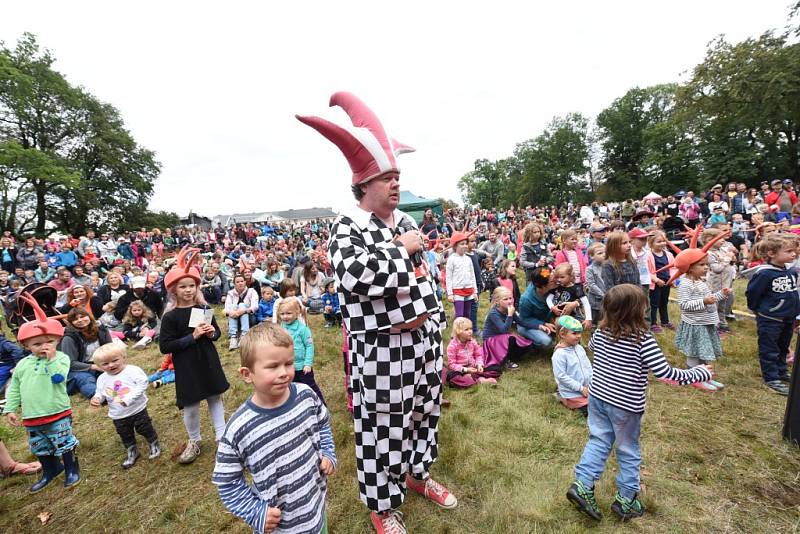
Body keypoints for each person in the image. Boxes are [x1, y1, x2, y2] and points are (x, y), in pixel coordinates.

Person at [299, 91, 455, 533]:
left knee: (425, 413)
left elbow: (425, 278)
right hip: (383, 347)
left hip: (424, 341)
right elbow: (355, 277)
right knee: (382, 427)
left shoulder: (406, 222)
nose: (395, 182)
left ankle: (418, 475)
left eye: (397, 174)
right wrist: (398, 250)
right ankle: (382, 505)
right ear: (363, 184)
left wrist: (436, 329)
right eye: (386, 176)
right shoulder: (346, 226)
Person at [566, 284, 713, 521]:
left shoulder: (599, 333)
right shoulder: (643, 339)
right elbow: (667, 374)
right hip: (625, 406)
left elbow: (593, 349)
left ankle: (582, 485)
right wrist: (700, 373)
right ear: (637, 311)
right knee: (628, 450)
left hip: (598, 397)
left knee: (598, 440)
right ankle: (626, 500)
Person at [212, 322, 336, 534]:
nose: (284, 373)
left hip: (315, 509)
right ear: (247, 374)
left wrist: (328, 453)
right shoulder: (240, 428)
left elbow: (322, 423)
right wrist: (255, 512)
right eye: (272, 366)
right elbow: (227, 481)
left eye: (288, 363)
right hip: (280, 527)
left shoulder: (306, 395)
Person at [2, 294, 81, 492]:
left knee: (64, 441)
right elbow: (15, 388)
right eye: (37, 344)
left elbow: (58, 379)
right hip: (32, 416)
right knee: (40, 446)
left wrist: (52, 360)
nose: (44, 347)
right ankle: (51, 469)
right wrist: (10, 408)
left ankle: (71, 468)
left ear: (57, 341)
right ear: (25, 345)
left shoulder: (61, 359)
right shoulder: (22, 364)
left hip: (57, 411)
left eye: (49, 342)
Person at [159, 247, 229, 464]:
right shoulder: (170, 317)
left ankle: (222, 437)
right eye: (183, 287)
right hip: (187, 365)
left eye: (191, 286)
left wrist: (210, 333)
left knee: (214, 397)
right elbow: (165, 346)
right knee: (190, 404)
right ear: (174, 290)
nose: (188, 290)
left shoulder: (203, 308)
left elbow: (216, 334)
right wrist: (193, 336)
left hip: (207, 360)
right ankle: (194, 440)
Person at [89, 344, 160, 469]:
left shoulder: (132, 371)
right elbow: (100, 392)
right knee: (124, 433)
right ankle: (132, 450)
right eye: (105, 364)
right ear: (99, 366)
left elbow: (142, 384)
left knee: (144, 427)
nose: (111, 365)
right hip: (118, 414)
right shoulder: (102, 379)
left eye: (115, 360)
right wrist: (97, 399)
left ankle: (153, 443)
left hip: (137, 409)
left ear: (123, 357)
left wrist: (129, 398)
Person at [746, 233, 799, 396]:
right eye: (789, 251)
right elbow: (753, 293)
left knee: (783, 346)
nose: (794, 254)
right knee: (769, 348)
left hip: (788, 317)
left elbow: (793, 292)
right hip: (770, 319)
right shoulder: (764, 273)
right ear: (771, 253)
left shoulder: (790, 271)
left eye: (794, 250)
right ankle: (771, 377)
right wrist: (759, 310)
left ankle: (781, 371)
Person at [674, 251, 729, 392]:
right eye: (702, 264)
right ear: (690, 267)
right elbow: (684, 304)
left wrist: (721, 294)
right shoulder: (685, 284)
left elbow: (709, 298)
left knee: (704, 351)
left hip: (705, 323)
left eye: (706, 264)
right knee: (694, 352)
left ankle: (704, 376)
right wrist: (703, 301)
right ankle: (694, 377)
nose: (706, 267)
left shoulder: (701, 282)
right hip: (695, 324)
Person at [278, 298, 325, 405]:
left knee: (311, 387)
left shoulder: (303, 329)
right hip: (288, 367)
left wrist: (307, 364)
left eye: (288, 313)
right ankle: (299, 406)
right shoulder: (281, 328)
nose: (285, 316)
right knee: (291, 389)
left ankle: (321, 405)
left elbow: (309, 346)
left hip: (303, 368)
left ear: (297, 312)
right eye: (282, 314)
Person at [59, 308, 113, 398]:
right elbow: (70, 363)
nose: (80, 320)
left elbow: (110, 348)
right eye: (75, 319)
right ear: (71, 322)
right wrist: (93, 367)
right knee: (86, 380)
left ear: (89, 316)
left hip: (101, 363)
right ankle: (99, 397)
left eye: (82, 316)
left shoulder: (101, 329)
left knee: (117, 372)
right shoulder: (69, 338)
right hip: (79, 369)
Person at [482, 286, 535, 370]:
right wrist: (510, 315)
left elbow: (522, 323)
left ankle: (511, 356)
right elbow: (503, 330)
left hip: (502, 339)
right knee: (509, 337)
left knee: (527, 346)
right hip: (491, 341)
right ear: (497, 301)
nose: (509, 301)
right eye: (505, 299)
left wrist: (540, 326)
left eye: (510, 298)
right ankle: (505, 361)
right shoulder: (494, 313)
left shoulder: (508, 309)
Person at [551, 316, 592, 416]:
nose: (578, 336)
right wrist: (580, 388)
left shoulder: (580, 348)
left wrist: (592, 383)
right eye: (574, 333)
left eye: (579, 333)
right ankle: (562, 397)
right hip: (572, 392)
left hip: (586, 388)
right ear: (562, 334)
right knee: (590, 411)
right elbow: (561, 376)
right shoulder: (560, 354)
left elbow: (588, 366)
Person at [445, 317, 497, 387]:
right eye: (466, 329)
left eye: (471, 329)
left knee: (496, 368)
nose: (470, 331)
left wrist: (479, 365)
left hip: (474, 368)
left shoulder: (472, 341)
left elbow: (478, 355)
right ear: (458, 331)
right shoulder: (452, 346)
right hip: (461, 371)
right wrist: (466, 370)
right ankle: (479, 380)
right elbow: (451, 365)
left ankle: (474, 378)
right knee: (452, 377)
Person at [704, 228, 736, 334]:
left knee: (723, 304)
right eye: (720, 238)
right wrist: (727, 258)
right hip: (715, 285)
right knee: (715, 305)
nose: (723, 240)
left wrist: (732, 258)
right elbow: (717, 269)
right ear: (709, 240)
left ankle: (722, 323)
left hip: (726, 283)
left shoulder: (722, 250)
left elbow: (730, 263)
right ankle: (713, 325)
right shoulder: (709, 253)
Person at [517, 267, 557, 348]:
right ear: (543, 287)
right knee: (546, 341)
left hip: (546, 319)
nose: (556, 281)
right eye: (552, 281)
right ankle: (527, 343)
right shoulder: (526, 300)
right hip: (526, 325)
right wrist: (543, 324)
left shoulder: (553, 288)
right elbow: (524, 319)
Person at [546, 263, 592, 331]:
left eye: (562, 277)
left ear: (570, 276)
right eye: (557, 277)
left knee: (568, 331)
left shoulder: (577, 288)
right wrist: (552, 307)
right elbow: (548, 299)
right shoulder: (557, 287)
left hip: (570, 316)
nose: (559, 279)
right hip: (555, 315)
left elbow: (586, 303)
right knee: (558, 328)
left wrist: (588, 318)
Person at [446, 228, 478, 321]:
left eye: (465, 244)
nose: (465, 246)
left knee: (467, 314)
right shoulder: (451, 259)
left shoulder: (468, 259)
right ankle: (456, 335)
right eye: (462, 244)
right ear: (455, 246)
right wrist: (450, 293)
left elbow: (472, 275)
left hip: (469, 289)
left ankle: (465, 334)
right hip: (457, 290)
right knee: (459, 315)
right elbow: (449, 277)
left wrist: (475, 291)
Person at [646, 231, 676, 332]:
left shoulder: (669, 254)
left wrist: (672, 279)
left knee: (664, 302)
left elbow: (673, 268)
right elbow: (647, 271)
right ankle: (653, 323)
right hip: (655, 284)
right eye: (659, 242)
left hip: (666, 283)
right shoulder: (648, 255)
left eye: (664, 241)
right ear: (651, 243)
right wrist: (656, 280)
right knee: (654, 303)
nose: (662, 243)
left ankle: (665, 321)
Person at [224, 274, 259, 350]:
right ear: (234, 284)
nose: (240, 283)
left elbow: (255, 306)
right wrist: (232, 313)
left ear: (245, 282)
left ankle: (244, 335)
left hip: (249, 317)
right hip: (235, 317)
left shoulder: (252, 291)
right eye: (237, 282)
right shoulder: (230, 293)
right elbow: (226, 308)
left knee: (242, 305)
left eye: (242, 281)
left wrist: (243, 311)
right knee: (233, 306)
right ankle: (233, 337)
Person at [584, 243, 606, 325]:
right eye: (600, 253)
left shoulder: (608, 267)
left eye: (605, 252)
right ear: (592, 256)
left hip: (608, 299)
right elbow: (591, 284)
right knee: (595, 319)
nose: (604, 255)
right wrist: (603, 294)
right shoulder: (590, 269)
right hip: (596, 301)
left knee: (605, 318)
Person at [0, 323, 25, 392]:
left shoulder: (3, 343)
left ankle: (8, 384)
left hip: (7, 364)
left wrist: (18, 364)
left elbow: (17, 351)